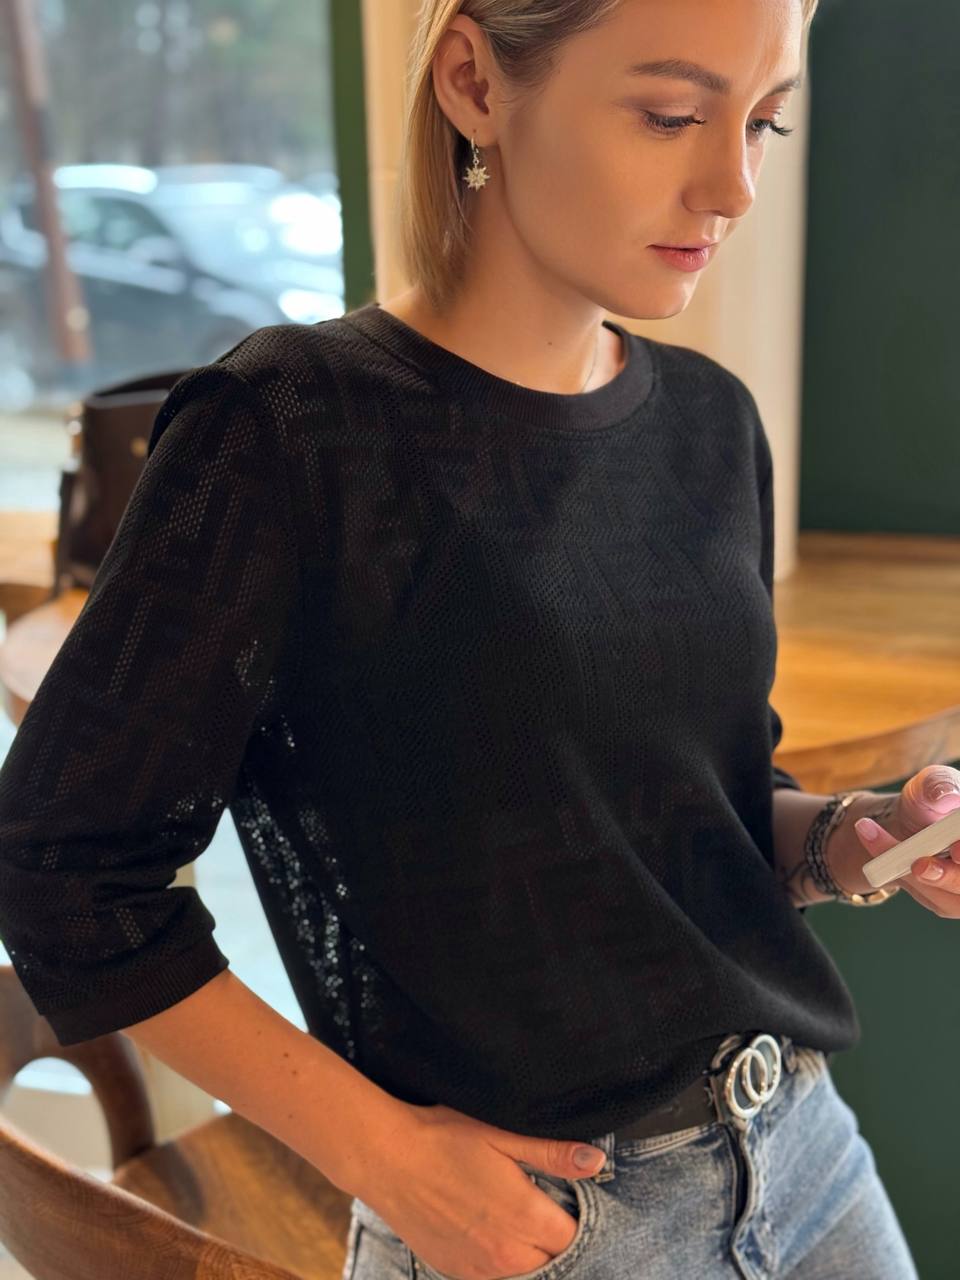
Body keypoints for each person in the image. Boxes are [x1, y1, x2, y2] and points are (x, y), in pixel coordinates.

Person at [3, 1, 950, 1277]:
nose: (732, 184)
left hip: (803, 1148)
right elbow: (64, 872)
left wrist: (856, 837)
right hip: (543, 1223)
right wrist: (385, 1157)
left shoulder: (711, 423)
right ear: (474, 80)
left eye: (764, 121)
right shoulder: (290, 429)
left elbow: (699, 810)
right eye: (671, 114)